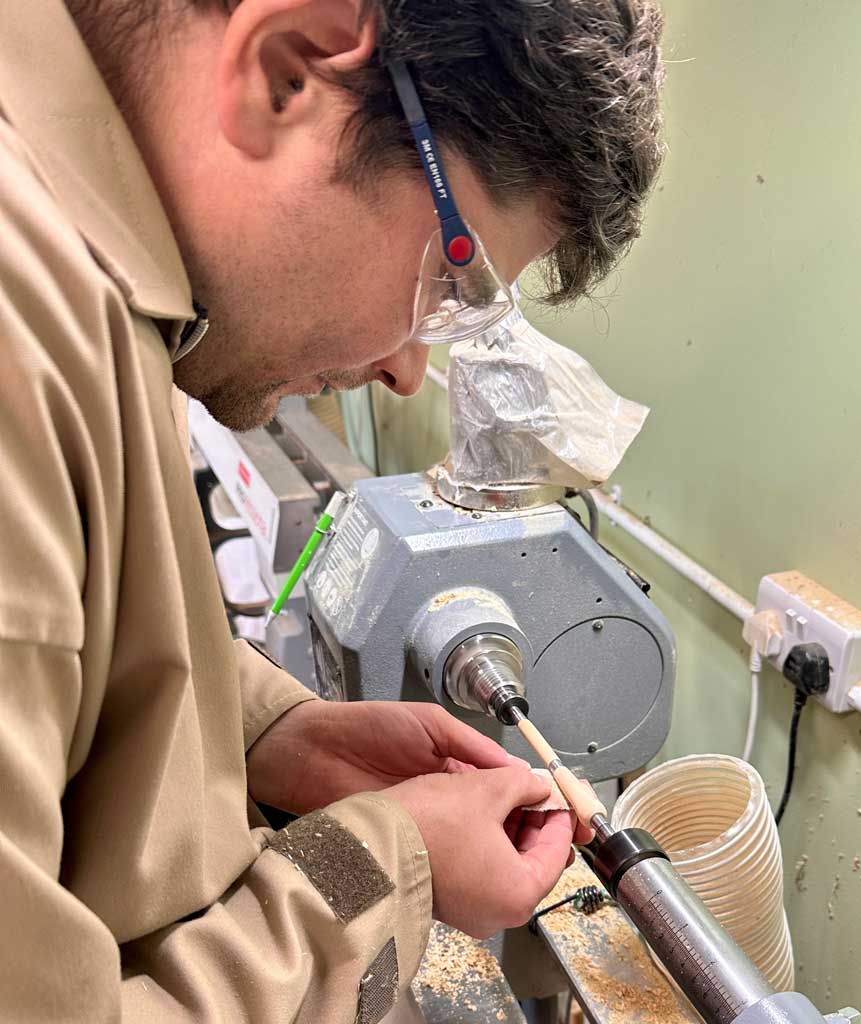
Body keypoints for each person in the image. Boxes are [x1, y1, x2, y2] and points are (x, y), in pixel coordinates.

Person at [0, 0, 664, 1019]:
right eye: (448, 283)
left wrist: (275, 732)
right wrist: (385, 866)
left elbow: (66, 649)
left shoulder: (106, 286)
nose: (405, 371)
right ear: (288, 72)